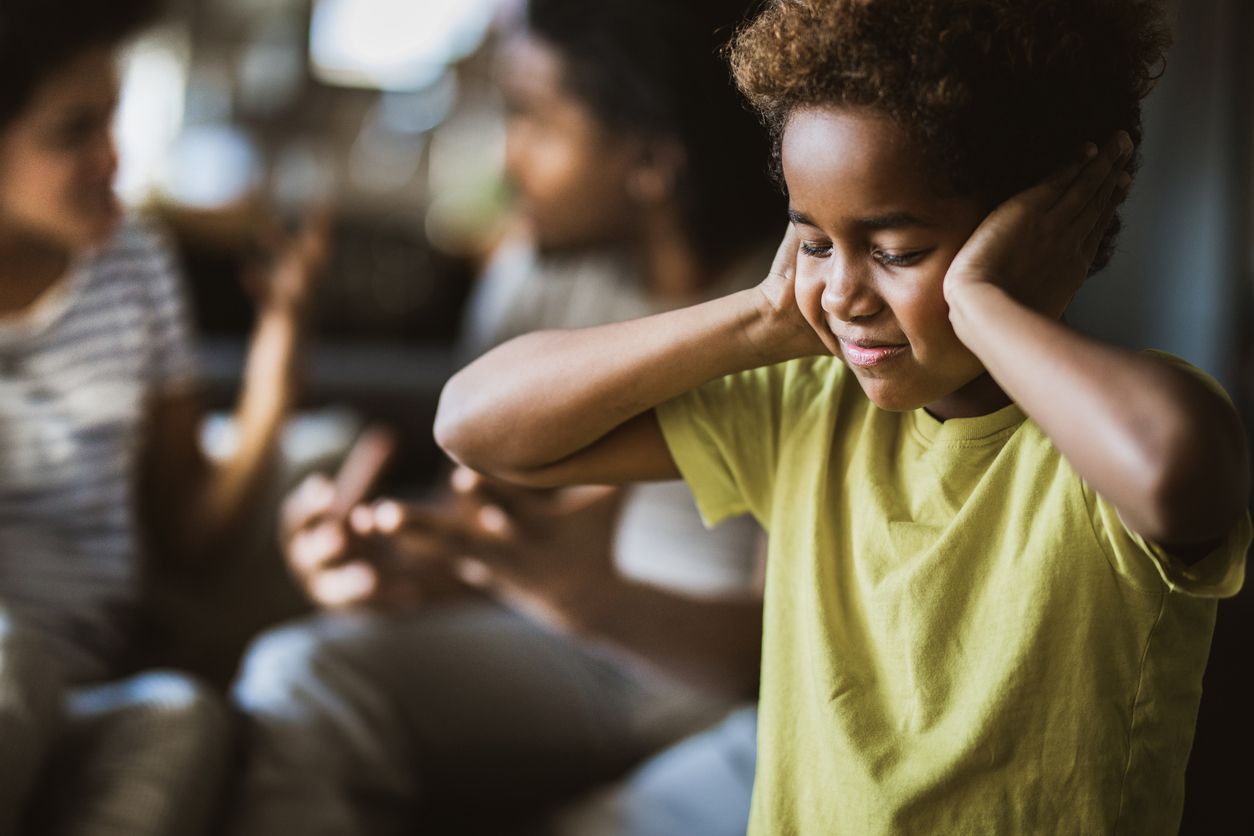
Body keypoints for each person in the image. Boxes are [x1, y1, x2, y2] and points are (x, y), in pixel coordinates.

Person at [435, 0, 1253, 833]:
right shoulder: (807, 404)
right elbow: (473, 424)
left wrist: (982, 301)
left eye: (897, 251)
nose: (843, 294)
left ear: (1040, 229)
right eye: (816, 243)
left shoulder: (1115, 433)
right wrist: (763, 314)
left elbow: (1174, 477)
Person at [229, 1, 779, 834]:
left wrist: (595, 598)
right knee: (297, 673)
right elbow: (496, 530)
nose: (506, 157)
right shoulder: (536, 279)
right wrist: (396, 560)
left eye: (535, 122)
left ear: (651, 163)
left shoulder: (795, 311)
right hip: (554, 645)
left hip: (700, 681)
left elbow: (771, 649)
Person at [0, 1, 325, 833]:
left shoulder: (135, 268)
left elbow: (189, 537)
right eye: (73, 133)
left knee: (183, 716)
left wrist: (272, 383)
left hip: (85, 687)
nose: (113, 157)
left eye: (112, 121)